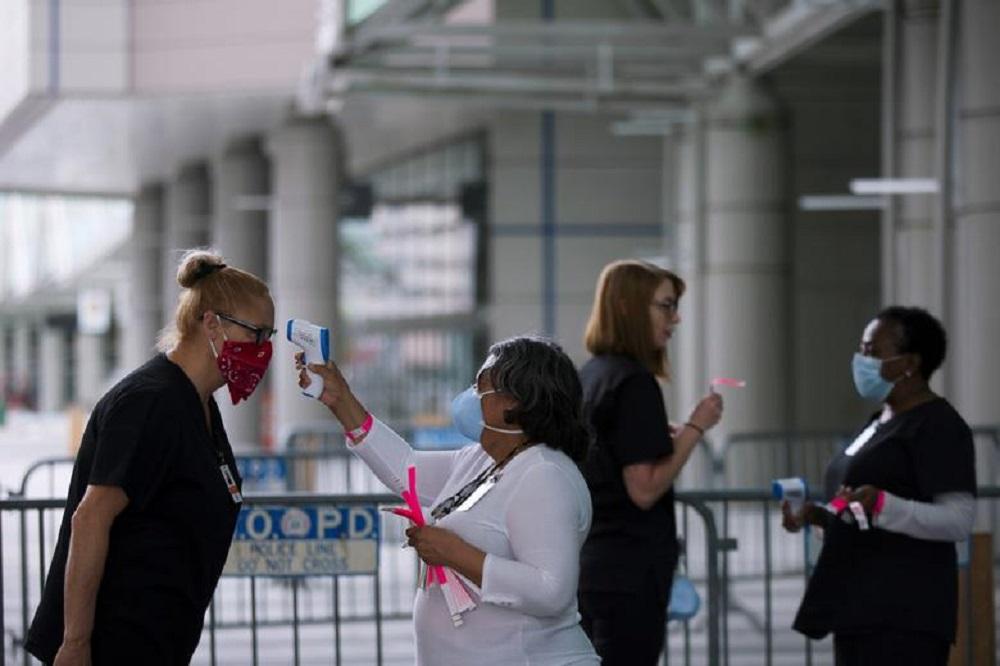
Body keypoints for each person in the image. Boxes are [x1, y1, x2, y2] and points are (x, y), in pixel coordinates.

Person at [26, 250, 275, 665]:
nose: (264, 349)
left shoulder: (199, 403)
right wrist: (75, 643)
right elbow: (90, 519)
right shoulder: (149, 403)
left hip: (158, 640)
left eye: (270, 337)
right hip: (113, 643)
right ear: (211, 324)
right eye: (257, 334)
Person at [297, 336, 599, 665]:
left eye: (480, 387)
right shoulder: (481, 459)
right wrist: (341, 400)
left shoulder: (544, 474)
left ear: (513, 402)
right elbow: (405, 468)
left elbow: (551, 591)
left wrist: (454, 553)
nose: (470, 396)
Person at [784, 306, 976, 666]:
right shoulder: (878, 423)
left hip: (904, 612)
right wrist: (820, 517)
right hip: (857, 606)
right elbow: (859, 510)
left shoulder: (938, 425)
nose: (862, 361)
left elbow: (958, 520)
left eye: (873, 352)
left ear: (910, 363)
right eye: (861, 350)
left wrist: (884, 504)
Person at [576, 259, 723, 665]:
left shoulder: (593, 374)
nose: (675, 319)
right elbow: (644, 488)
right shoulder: (634, 382)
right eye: (666, 306)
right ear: (628, 307)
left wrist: (659, 437)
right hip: (628, 573)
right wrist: (696, 427)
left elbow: (611, 453)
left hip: (593, 566)